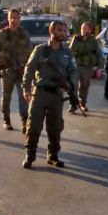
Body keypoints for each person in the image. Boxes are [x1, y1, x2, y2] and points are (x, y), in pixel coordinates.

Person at [21, 20, 78, 169]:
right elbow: (29, 69)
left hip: (56, 95)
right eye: (60, 30)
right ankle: (30, 155)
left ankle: (53, 156)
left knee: (55, 127)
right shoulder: (40, 50)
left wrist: (71, 90)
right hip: (39, 93)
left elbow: (73, 73)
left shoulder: (67, 52)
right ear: (51, 32)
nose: (64, 33)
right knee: (33, 126)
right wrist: (26, 89)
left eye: (65, 31)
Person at [0, 9, 33, 133]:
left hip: (21, 71)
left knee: (24, 96)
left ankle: (24, 121)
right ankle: (6, 120)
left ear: (19, 19)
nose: (13, 20)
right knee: (6, 96)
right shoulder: (1, 34)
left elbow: (31, 54)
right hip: (7, 71)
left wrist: (31, 71)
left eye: (16, 17)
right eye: (11, 17)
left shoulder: (24, 34)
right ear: (8, 19)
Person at [69, 22, 103, 113]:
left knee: (84, 86)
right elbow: (70, 51)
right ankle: (73, 105)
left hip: (87, 67)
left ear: (90, 30)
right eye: (82, 28)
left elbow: (99, 54)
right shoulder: (76, 38)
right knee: (73, 85)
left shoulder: (93, 41)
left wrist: (100, 67)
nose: (83, 30)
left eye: (85, 28)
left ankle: (82, 103)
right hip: (75, 65)